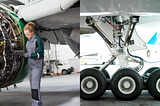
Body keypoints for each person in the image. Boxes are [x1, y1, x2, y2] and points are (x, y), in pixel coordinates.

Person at [23, 22, 44, 106]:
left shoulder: (37, 40)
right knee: (32, 86)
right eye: (25, 34)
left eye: (28, 34)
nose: (26, 36)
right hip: (31, 67)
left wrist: (30, 55)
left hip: (37, 67)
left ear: (32, 32)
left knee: (35, 86)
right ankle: (35, 103)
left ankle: (36, 104)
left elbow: (41, 54)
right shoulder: (28, 42)